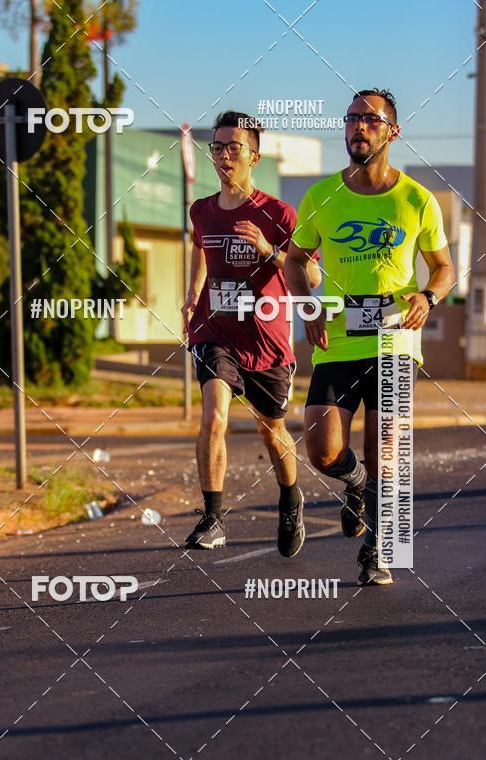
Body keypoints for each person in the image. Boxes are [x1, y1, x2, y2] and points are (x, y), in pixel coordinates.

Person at [284, 88, 455, 585]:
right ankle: (355, 484)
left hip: (396, 342)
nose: (359, 126)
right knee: (320, 449)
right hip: (337, 341)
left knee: (386, 446)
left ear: (392, 131)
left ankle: (378, 549)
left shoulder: (418, 200)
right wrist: (307, 304)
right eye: (352, 118)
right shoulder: (321, 196)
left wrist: (428, 296)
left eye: (371, 119)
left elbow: (443, 267)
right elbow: (296, 261)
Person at [182, 110, 321, 554]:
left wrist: (268, 251)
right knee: (214, 416)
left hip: (267, 338)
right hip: (215, 330)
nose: (223, 155)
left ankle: (289, 498)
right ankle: (213, 518)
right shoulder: (201, 210)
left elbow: (313, 275)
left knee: (271, 431)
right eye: (217, 147)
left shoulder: (278, 213)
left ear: (254, 157)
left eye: (233, 147)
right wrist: (191, 295)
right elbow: (199, 249)